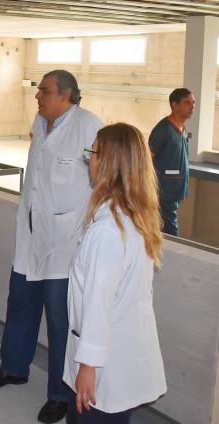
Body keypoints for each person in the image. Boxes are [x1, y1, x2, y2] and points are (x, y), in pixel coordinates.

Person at [0, 70, 103, 424]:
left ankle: (60, 394)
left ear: (66, 95)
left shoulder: (89, 127)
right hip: (31, 238)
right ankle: (13, 367)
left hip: (66, 244)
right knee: (20, 303)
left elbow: (103, 182)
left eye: (44, 91)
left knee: (61, 321)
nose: (37, 96)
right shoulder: (40, 122)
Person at [65, 123, 166, 423]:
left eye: (93, 152)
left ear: (109, 163)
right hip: (123, 353)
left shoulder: (109, 229)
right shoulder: (134, 216)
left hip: (103, 367)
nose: (89, 159)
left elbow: (98, 304)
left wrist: (87, 366)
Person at [148, 88, 194, 236]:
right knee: (171, 232)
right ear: (174, 105)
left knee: (166, 231)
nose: (192, 106)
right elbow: (147, 159)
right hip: (164, 191)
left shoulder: (182, 128)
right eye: (187, 103)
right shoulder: (164, 129)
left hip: (176, 189)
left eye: (193, 103)